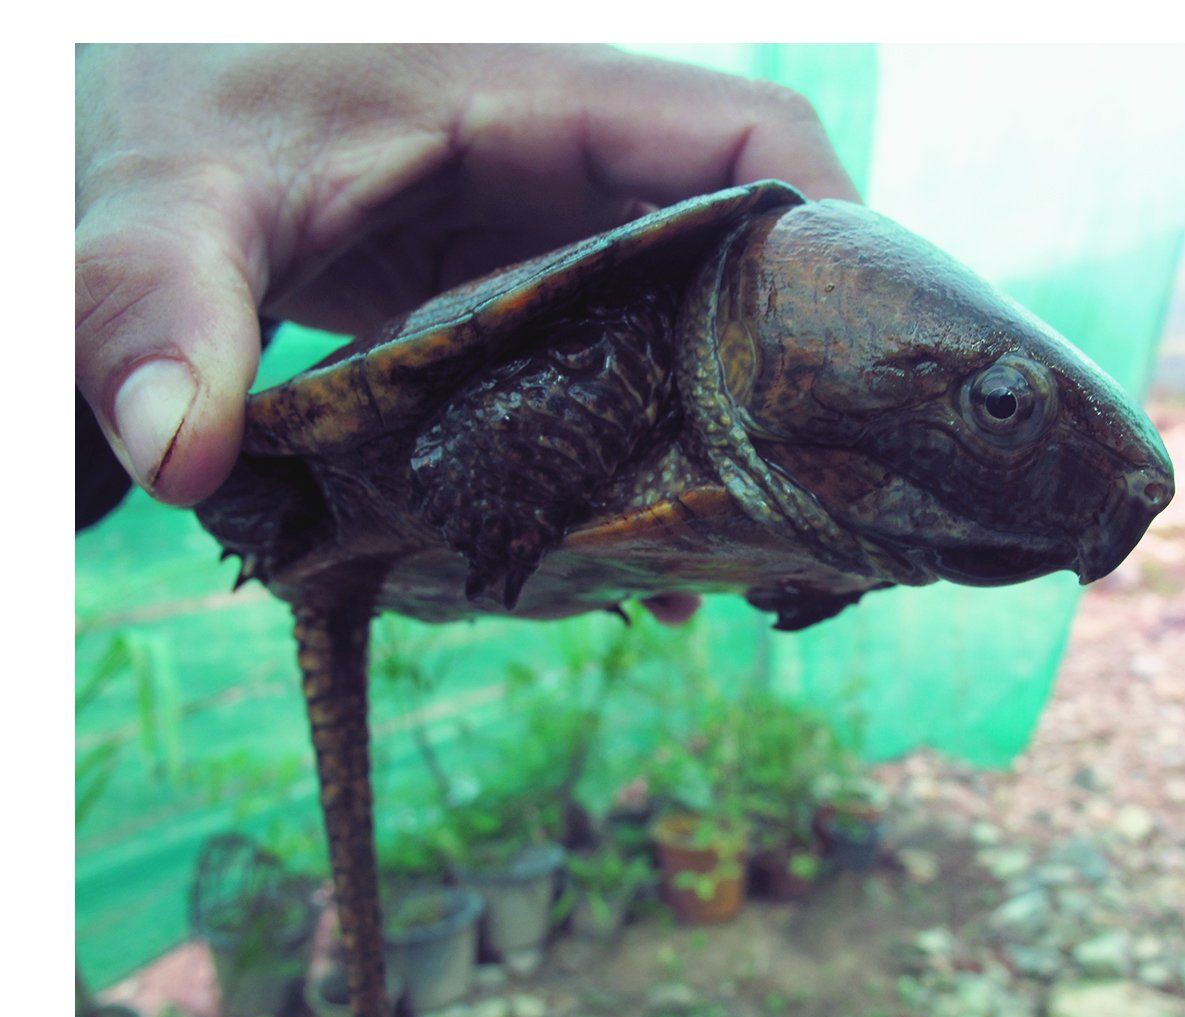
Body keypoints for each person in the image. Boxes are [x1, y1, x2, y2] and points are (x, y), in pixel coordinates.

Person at [75, 45, 860, 621]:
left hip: (533, 538)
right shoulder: (645, 338)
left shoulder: (842, 473)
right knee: (602, 352)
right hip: (339, 492)